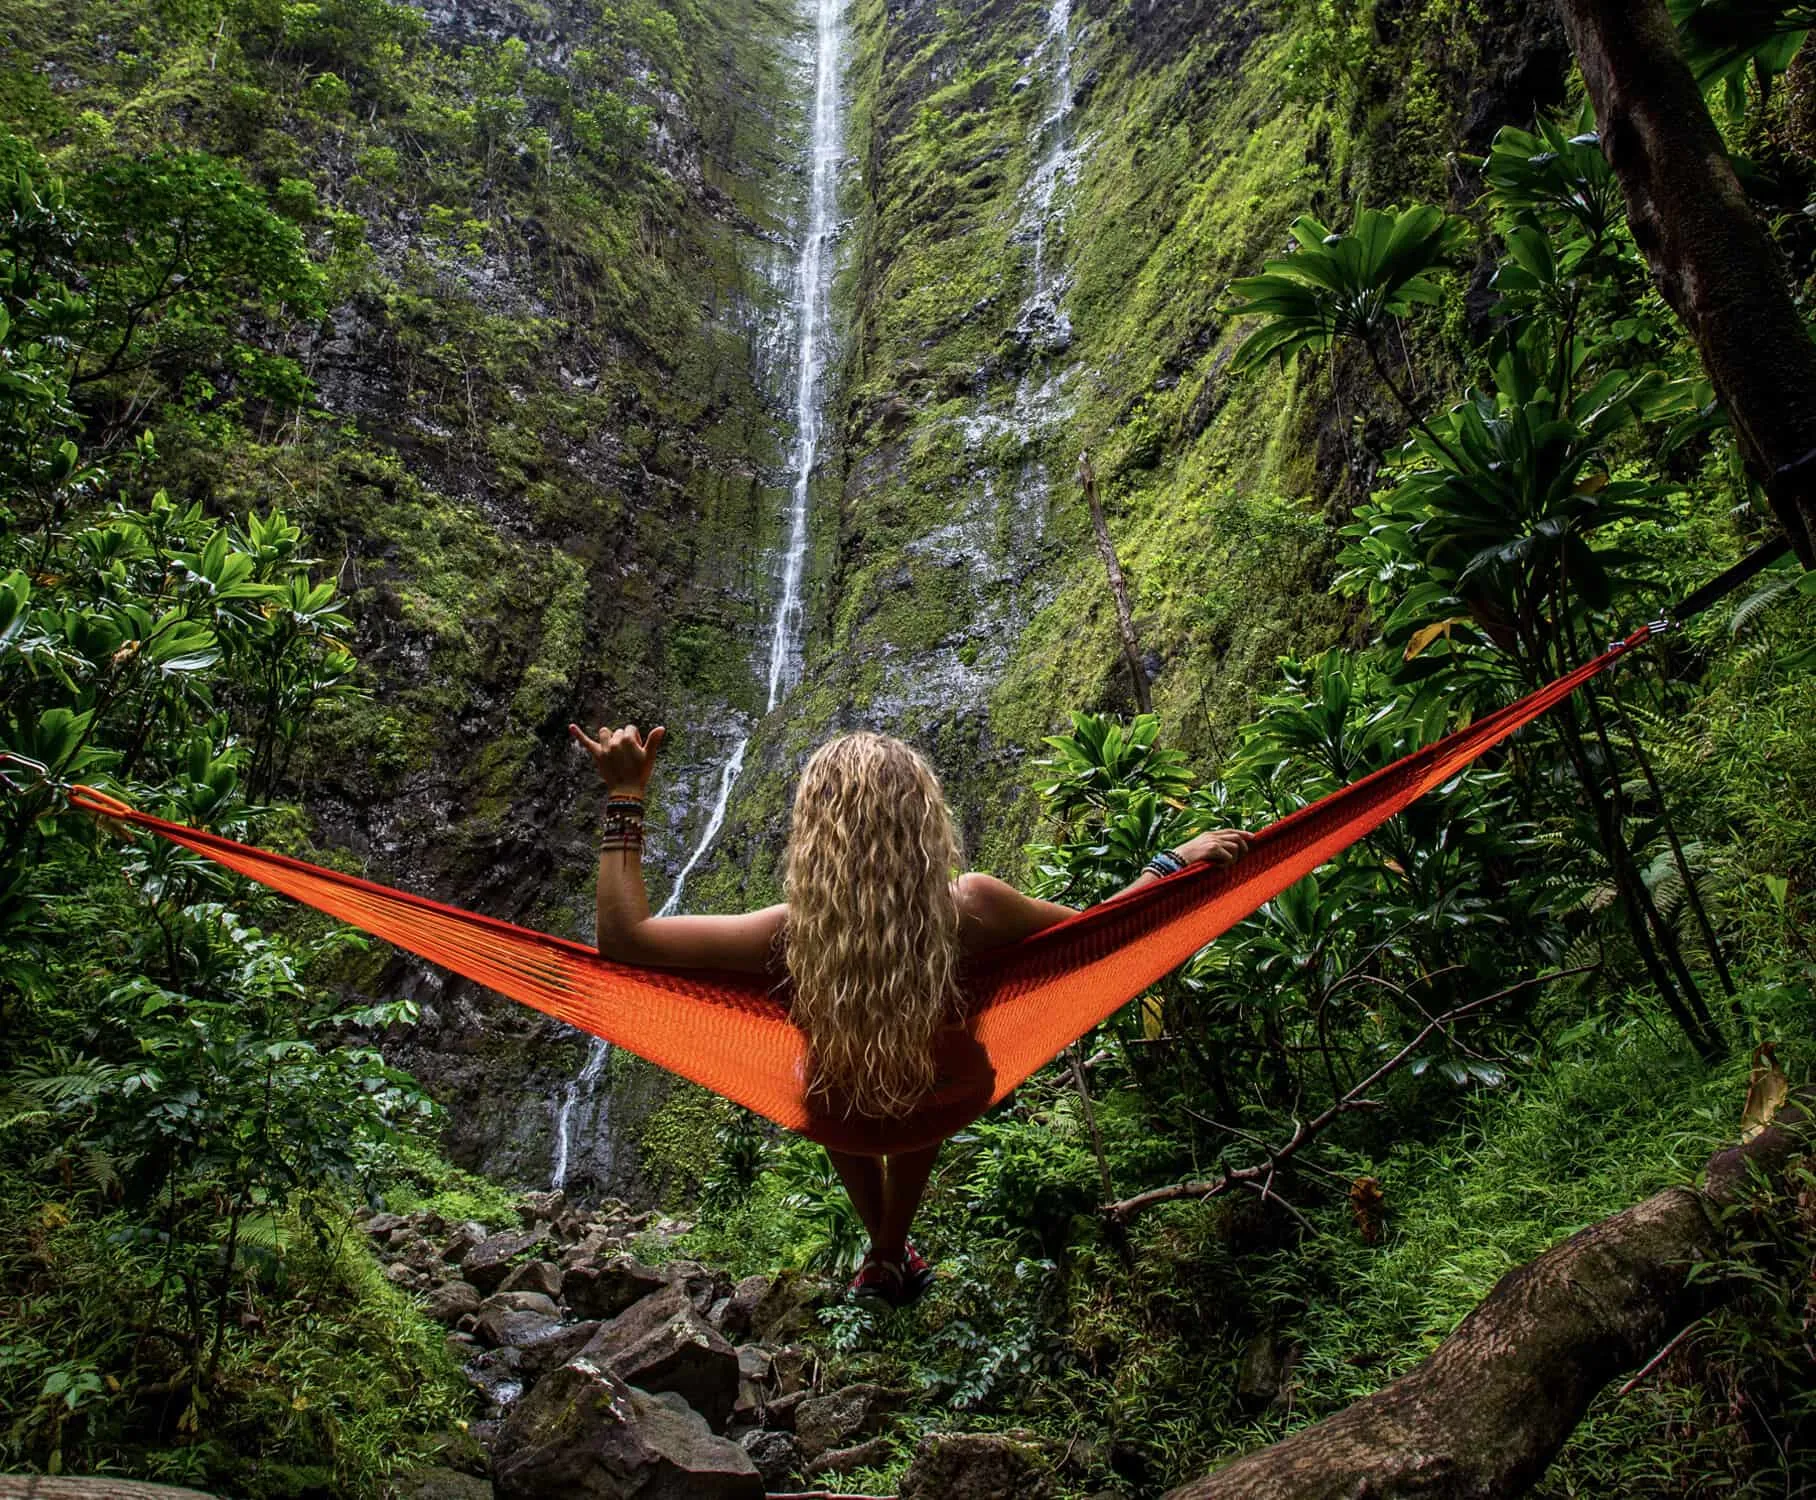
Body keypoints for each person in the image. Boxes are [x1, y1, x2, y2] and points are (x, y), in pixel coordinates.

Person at [568, 720, 1252, 1306]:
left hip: (839, 1112)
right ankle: (891, 1251)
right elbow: (1099, 933)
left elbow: (625, 940)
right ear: (924, 821)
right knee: (925, 1051)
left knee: (829, 1067)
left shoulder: (786, 936)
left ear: (814, 836)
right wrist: (1171, 862)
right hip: (945, 1098)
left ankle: (885, 1249)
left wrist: (626, 794)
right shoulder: (974, 908)